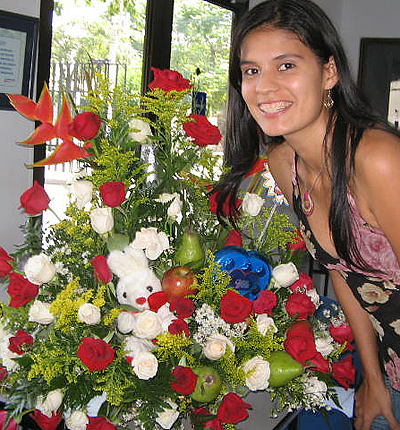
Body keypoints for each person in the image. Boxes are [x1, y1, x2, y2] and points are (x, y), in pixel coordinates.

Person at [213, 1, 400, 429]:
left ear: (329, 73)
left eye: (286, 66)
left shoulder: (378, 159)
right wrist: (372, 377)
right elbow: (341, 271)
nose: (264, 88)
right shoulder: (284, 164)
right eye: (252, 71)